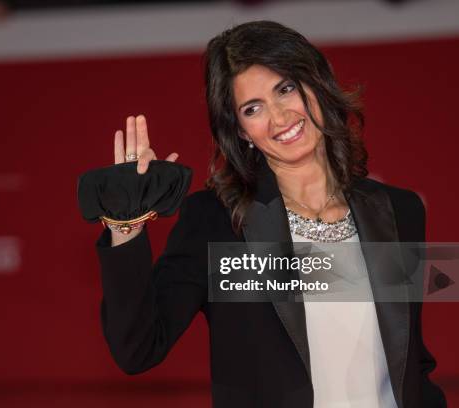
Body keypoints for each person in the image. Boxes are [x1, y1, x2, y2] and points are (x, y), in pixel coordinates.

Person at [93, 21, 446, 407]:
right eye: (253, 108)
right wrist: (123, 226)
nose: (279, 118)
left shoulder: (399, 210)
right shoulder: (218, 222)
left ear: (315, 84)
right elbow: (138, 349)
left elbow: (411, 362)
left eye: (286, 88)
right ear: (241, 130)